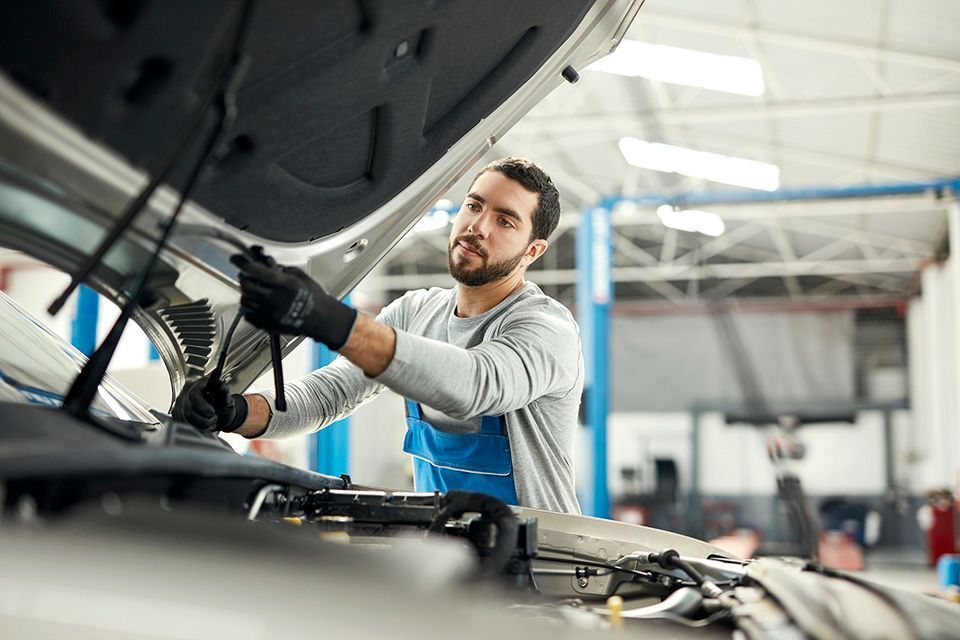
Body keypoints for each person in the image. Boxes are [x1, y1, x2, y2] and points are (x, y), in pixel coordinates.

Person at [174, 157, 583, 513]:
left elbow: (475, 386)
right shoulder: (415, 312)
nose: (478, 226)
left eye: (504, 221)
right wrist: (237, 412)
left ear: (533, 251)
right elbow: (329, 394)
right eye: (474, 205)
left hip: (544, 562)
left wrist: (330, 320)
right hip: (448, 551)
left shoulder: (546, 327)